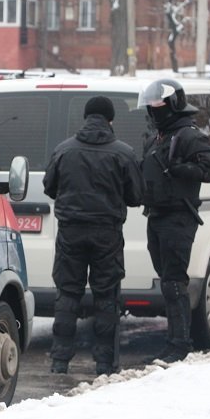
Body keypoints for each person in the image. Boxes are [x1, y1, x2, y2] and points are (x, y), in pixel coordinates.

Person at [43, 96, 144, 376]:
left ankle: (60, 361)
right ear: (110, 120)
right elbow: (136, 196)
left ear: (86, 118)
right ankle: (103, 363)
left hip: (70, 232)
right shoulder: (123, 153)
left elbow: (50, 187)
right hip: (107, 234)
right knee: (106, 297)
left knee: (67, 294)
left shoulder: (64, 150)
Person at [138, 78, 210, 363]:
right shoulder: (156, 137)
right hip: (157, 215)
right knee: (167, 280)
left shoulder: (188, 135)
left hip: (178, 217)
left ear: (173, 104)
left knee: (174, 281)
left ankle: (179, 344)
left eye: (158, 105)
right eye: (150, 106)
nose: (153, 110)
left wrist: (183, 169)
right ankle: (175, 339)